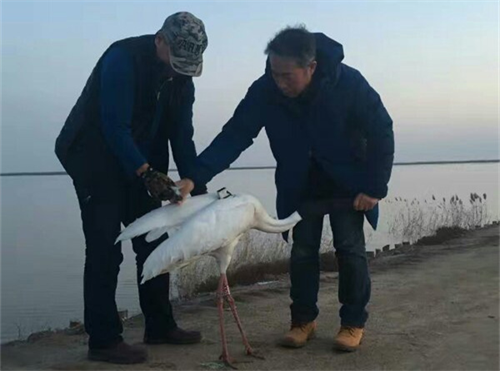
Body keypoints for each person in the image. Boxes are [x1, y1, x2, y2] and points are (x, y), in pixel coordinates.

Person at [177, 26, 394, 352]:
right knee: (303, 253)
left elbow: (382, 131)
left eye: (287, 76)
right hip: (300, 186)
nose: (280, 82)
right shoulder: (265, 90)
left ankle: (352, 323)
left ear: (311, 67)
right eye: (274, 73)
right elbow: (235, 135)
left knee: (350, 252)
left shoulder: (348, 83)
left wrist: (375, 187)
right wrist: (194, 176)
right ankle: (302, 322)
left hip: (348, 185)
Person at [55, 12, 208, 364]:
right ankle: (104, 340)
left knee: (154, 238)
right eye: (175, 62)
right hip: (93, 154)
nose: (178, 72)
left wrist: (198, 186)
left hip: (141, 157)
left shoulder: (182, 79)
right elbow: (114, 125)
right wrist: (146, 173)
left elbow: (182, 137)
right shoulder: (122, 59)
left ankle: (159, 325)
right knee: (105, 245)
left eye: (187, 67)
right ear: (159, 41)